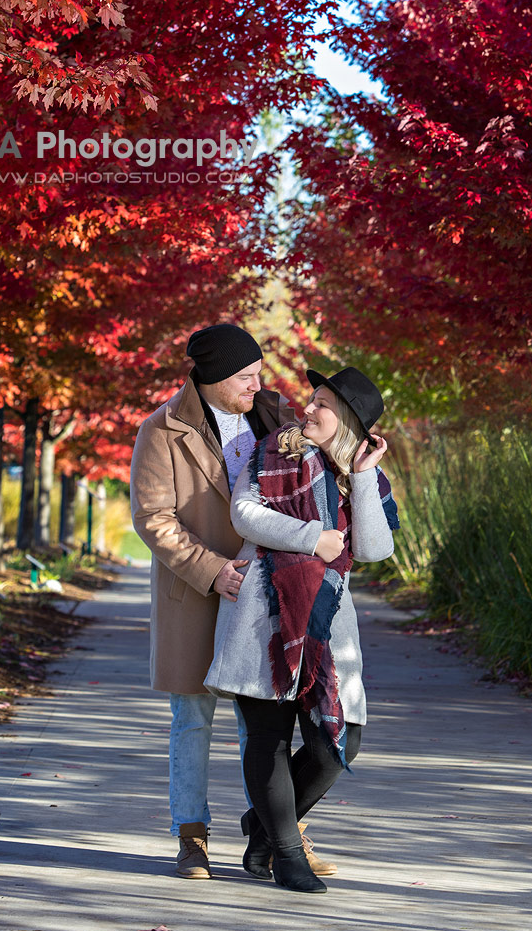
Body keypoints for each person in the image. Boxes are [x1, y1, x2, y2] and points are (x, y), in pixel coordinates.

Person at [131, 324, 339, 879]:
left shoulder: (272, 415)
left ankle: (278, 832)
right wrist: (212, 569)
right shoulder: (162, 429)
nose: (258, 383)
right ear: (215, 377)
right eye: (245, 376)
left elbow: (310, 477)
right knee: (193, 718)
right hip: (197, 595)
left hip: (269, 596)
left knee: (266, 725)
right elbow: (153, 517)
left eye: (257, 372)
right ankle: (191, 837)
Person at [204, 366, 399, 893]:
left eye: (323, 404)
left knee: (341, 740)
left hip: (330, 623)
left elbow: (377, 548)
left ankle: (262, 826)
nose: (308, 409)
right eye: (311, 399)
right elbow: (244, 514)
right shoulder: (272, 453)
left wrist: (360, 477)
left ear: (350, 423)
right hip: (263, 613)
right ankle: (287, 853)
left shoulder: (368, 478)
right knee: (267, 735)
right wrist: (313, 537)